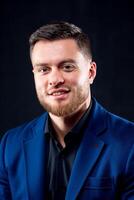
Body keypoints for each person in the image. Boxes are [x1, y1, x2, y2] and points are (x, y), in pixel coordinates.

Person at [0, 21, 134, 200]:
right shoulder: (11, 145)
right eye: (44, 69)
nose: (55, 79)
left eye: (67, 67)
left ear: (91, 72)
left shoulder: (130, 143)